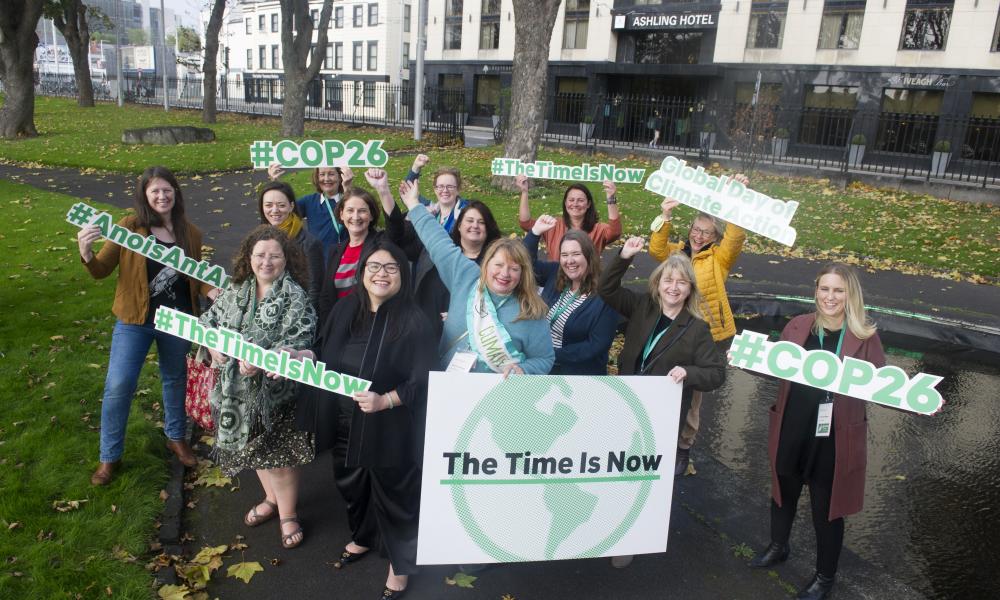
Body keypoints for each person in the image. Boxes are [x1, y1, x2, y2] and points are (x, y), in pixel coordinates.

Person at [293, 240, 436, 599]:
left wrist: (386, 400)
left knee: (395, 496)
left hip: (391, 426)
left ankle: (399, 565)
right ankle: (363, 535)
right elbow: (326, 352)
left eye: (391, 268)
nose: (381, 274)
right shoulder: (345, 310)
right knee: (351, 485)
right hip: (345, 420)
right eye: (374, 266)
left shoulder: (415, 321)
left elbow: (422, 380)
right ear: (362, 273)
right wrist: (303, 354)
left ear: (403, 275)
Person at [746, 263, 885, 600]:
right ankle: (779, 546)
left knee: (828, 508)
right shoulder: (798, 326)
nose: (830, 296)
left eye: (838, 290)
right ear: (816, 291)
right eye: (825, 289)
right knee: (783, 492)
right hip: (793, 425)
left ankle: (824, 577)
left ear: (850, 294)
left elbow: (882, 385)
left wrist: (918, 401)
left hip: (834, 437)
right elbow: (776, 368)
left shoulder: (865, 337)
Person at [77, 166, 217, 486]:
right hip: (135, 320)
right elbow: (100, 270)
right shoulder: (129, 227)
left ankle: (176, 438)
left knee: (175, 379)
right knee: (118, 385)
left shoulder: (190, 233)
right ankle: (109, 456)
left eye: (167, 190)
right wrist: (85, 251)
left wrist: (212, 289)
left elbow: (194, 278)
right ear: (144, 195)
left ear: (176, 193)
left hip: (178, 321)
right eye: (154, 191)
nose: (161, 196)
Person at [599, 239, 726, 568]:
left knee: (643, 479)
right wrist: (624, 257)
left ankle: (632, 538)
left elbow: (716, 374)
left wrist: (690, 372)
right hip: (627, 406)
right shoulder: (644, 308)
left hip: (661, 418)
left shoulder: (697, 329)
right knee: (617, 470)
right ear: (657, 283)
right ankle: (610, 527)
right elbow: (606, 289)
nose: (673, 287)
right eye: (668, 280)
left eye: (681, 282)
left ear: (689, 289)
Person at [198, 225, 317, 549]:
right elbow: (208, 323)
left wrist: (269, 360)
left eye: (274, 256)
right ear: (248, 258)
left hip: (277, 395)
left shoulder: (294, 296)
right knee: (255, 452)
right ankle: (270, 498)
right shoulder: (238, 290)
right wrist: (212, 346)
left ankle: (287, 514)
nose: (267, 262)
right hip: (237, 394)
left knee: (279, 457)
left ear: (286, 259)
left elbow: (300, 340)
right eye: (260, 255)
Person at [648, 173, 750, 475]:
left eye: (706, 232)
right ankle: (657, 438)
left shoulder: (719, 259)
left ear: (715, 237)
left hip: (706, 334)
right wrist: (665, 216)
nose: (698, 235)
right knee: (666, 382)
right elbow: (656, 250)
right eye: (695, 229)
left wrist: (736, 199)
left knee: (692, 392)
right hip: (673, 329)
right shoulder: (677, 254)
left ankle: (683, 448)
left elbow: (735, 238)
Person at [399, 179, 554, 376]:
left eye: (514, 269)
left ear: (523, 274)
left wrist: (524, 369)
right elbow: (438, 241)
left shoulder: (531, 309)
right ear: (486, 265)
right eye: (498, 265)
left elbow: (545, 359)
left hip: (496, 398)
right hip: (450, 388)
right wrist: (414, 205)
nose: (504, 274)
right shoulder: (467, 278)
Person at [386, 196, 503, 340]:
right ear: (459, 225)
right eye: (470, 220)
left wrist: (464, 316)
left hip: (465, 340)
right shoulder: (438, 249)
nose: (475, 226)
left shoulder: (496, 264)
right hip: (422, 333)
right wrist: (384, 192)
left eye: (481, 222)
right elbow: (395, 241)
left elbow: (502, 302)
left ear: (488, 228)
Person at [524, 215, 619, 375]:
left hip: (579, 377)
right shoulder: (555, 274)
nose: (570, 261)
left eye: (576, 254)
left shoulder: (605, 295)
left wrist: (551, 355)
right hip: (544, 368)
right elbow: (525, 263)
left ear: (589, 256)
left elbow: (596, 345)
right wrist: (535, 232)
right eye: (564, 255)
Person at [316, 169, 396, 323]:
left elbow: (395, 227)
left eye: (362, 211)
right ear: (341, 214)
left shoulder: (381, 243)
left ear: (371, 215)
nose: (355, 217)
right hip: (340, 326)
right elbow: (326, 297)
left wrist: (383, 190)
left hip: (371, 325)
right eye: (350, 211)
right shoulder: (336, 251)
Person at [517, 175, 622, 260]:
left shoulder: (598, 229)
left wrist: (611, 198)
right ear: (565, 203)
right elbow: (525, 223)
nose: (575, 204)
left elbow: (615, 232)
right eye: (571, 200)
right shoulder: (553, 225)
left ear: (588, 204)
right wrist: (524, 192)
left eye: (580, 200)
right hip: (557, 281)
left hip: (587, 282)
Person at [257, 180, 325, 311]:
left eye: (281, 205)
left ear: (291, 206)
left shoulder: (309, 244)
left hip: (294, 314)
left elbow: (314, 291)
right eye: (268, 205)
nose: (274, 210)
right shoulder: (258, 237)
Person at [268, 163, 355, 261]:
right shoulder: (309, 201)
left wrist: (347, 188)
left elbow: (354, 212)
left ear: (340, 177)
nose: (326, 179)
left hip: (345, 261)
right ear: (317, 178)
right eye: (322, 174)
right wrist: (274, 183)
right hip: (318, 260)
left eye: (331, 174)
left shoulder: (349, 200)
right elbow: (284, 211)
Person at [403, 153, 469, 232]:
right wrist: (416, 167)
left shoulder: (465, 212)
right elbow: (408, 194)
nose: (445, 190)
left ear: (458, 189)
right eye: (440, 186)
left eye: (450, 186)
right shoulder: (430, 208)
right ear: (435, 189)